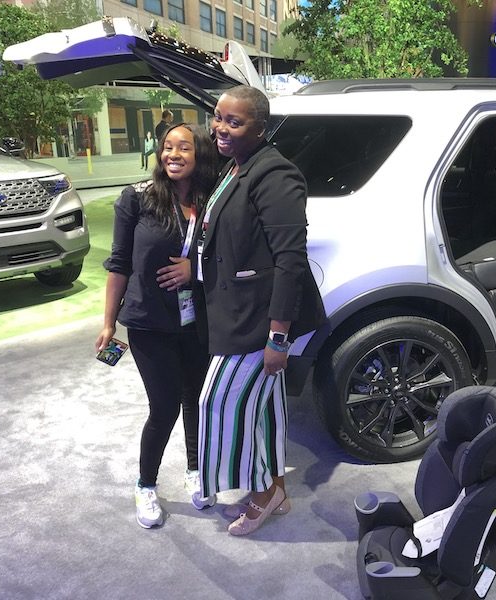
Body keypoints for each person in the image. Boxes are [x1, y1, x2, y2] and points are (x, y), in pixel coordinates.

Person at [190, 85, 327, 536]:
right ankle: (277, 491)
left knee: (218, 402)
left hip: (262, 319)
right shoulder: (237, 168)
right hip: (238, 309)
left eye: (235, 121)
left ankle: (262, 496)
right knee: (265, 409)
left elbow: (290, 261)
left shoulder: (276, 175)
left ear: (260, 128)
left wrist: (278, 338)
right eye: (219, 117)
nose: (221, 127)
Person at [95, 122, 218, 529]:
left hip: (196, 320)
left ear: (200, 154)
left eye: (184, 147)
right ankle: (146, 484)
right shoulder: (138, 199)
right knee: (163, 406)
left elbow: (227, 257)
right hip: (148, 322)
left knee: (196, 400)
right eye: (167, 147)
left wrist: (194, 269)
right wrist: (109, 323)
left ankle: (196, 470)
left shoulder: (213, 200)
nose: (173, 154)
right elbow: (118, 263)